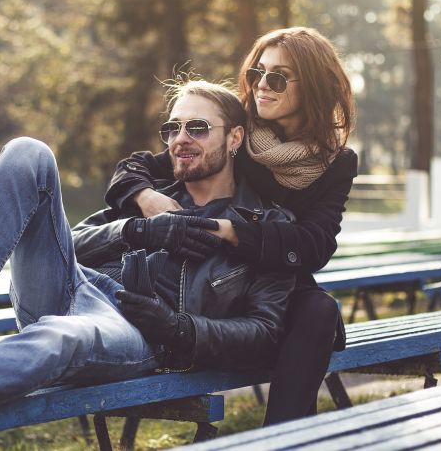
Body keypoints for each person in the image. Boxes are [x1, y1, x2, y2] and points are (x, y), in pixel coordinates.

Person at [0, 80, 296, 426]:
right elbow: (72, 245)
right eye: (171, 129)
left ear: (234, 137)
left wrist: (180, 329)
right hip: (80, 288)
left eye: (196, 127)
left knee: (63, 334)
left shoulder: (265, 228)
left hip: (140, 334)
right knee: (28, 152)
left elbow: (266, 329)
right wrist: (137, 231)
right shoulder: (153, 198)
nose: (180, 140)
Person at [104, 27, 357, 424]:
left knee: (317, 311)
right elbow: (135, 167)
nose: (261, 86)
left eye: (278, 77)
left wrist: (230, 230)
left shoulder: (337, 162)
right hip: (222, 285)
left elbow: (315, 245)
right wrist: (145, 197)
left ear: (312, 87)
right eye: (257, 73)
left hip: (274, 286)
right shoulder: (237, 135)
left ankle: (280, 440)